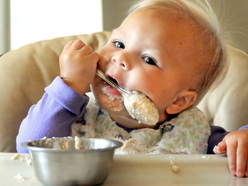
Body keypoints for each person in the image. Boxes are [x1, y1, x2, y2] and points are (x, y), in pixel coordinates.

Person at [16, 0, 248, 178]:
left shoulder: (196, 133)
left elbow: (237, 158)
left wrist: (243, 138)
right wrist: (69, 84)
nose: (121, 57)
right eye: (118, 44)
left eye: (148, 59)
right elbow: (29, 150)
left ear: (180, 101)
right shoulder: (74, 116)